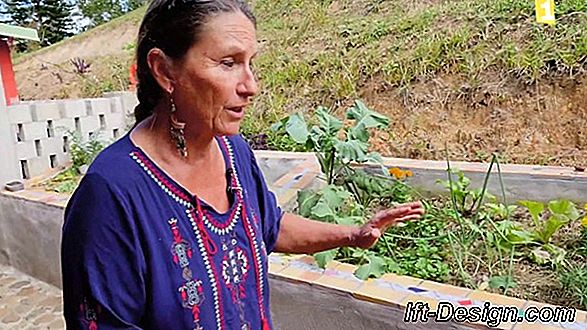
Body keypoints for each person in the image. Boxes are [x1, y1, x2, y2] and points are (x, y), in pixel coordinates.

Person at [60, 0, 425, 329]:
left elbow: (269, 226)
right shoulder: (110, 193)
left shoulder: (234, 152)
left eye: (251, 64)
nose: (250, 85)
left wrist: (352, 234)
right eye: (229, 63)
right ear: (164, 71)